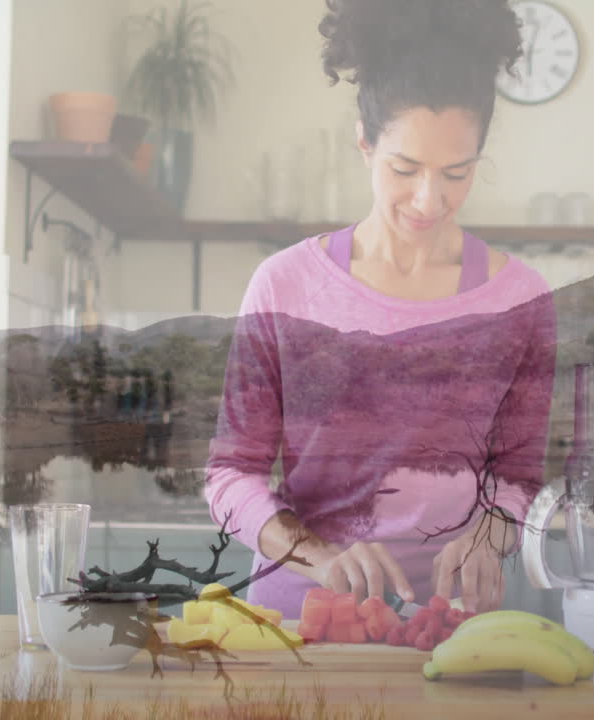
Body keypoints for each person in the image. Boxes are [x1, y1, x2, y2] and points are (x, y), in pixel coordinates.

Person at [203, 0, 557, 620]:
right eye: (405, 168)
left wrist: (490, 533)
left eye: (456, 172)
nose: (429, 198)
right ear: (364, 144)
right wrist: (320, 556)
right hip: (303, 618)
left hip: (450, 624)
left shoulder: (519, 300)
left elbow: (519, 476)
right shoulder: (285, 285)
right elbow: (230, 478)